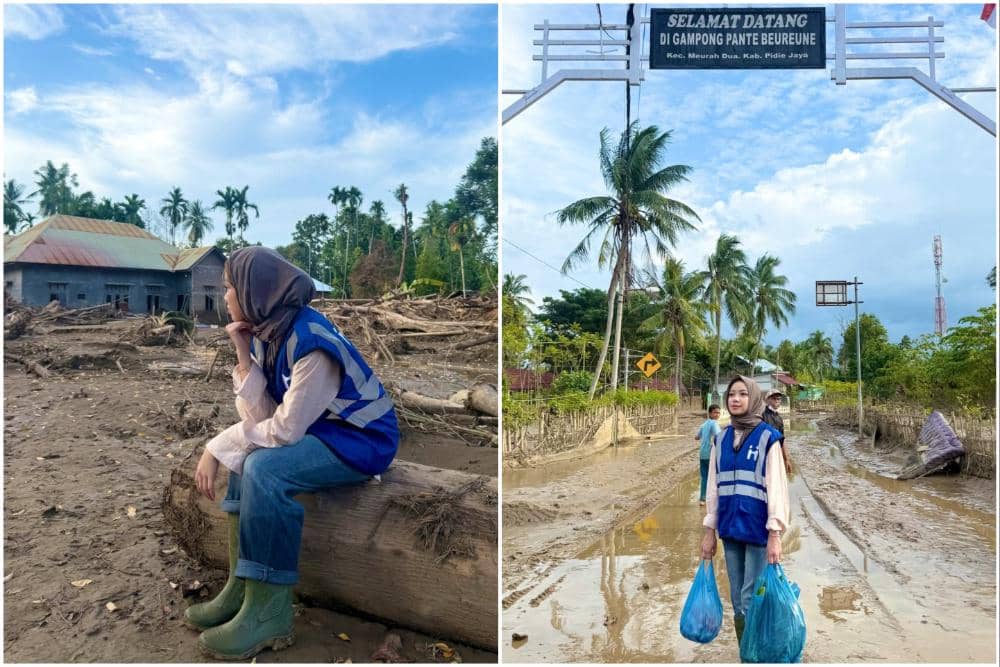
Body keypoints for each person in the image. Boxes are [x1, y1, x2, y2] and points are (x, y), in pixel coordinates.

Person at [185, 247, 399, 660]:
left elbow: (282, 432)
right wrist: (243, 354)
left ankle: (270, 613)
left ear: (255, 291)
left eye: (229, 287)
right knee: (246, 459)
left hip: (362, 439)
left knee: (263, 468)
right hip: (322, 428)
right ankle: (241, 588)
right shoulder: (270, 333)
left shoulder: (310, 342)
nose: (225, 295)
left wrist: (216, 447)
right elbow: (262, 415)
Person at [700, 375, 789, 648]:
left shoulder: (768, 438)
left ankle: (755, 653)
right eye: (731, 394)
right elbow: (713, 488)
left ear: (754, 399)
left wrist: (775, 533)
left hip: (758, 529)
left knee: (751, 596)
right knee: (737, 598)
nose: (735, 399)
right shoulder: (721, 438)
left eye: (742, 394)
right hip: (730, 528)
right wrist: (709, 532)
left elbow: (777, 488)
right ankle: (746, 650)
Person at [695, 404, 722, 505]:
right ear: (710, 413)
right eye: (715, 412)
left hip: (702, 454)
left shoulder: (704, 424)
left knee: (704, 477)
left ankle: (702, 499)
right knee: (715, 477)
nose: (717, 414)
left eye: (718, 412)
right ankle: (715, 498)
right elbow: (719, 437)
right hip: (711, 454)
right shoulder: (714, 423)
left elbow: (696, 437)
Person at [762, 389, 792, 474]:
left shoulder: (779, 418)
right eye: (774, 398)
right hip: (764, 453)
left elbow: (782, 439)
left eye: (778, 399)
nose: (777, 401)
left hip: (776, 452)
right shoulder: (762, 414)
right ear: (767, 399)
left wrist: (786, 459)